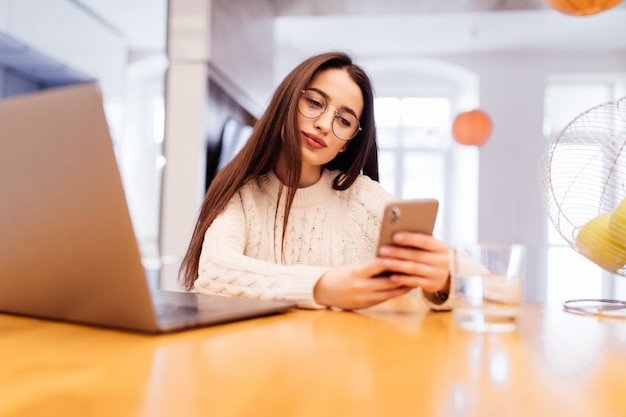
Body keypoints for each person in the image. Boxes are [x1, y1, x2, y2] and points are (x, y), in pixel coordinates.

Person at [179, 52, 452, 311]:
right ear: (288, 103)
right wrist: (322, 287)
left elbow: (482, 281)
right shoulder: (241, 195)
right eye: (314, 103)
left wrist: (444, 282)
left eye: (344, 120)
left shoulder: (364, 198)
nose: (323, 124)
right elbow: (215, 272)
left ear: (346, 144)